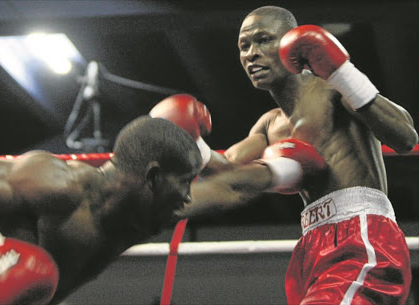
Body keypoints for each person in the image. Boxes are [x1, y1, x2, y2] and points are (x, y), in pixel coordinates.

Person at [173, 5, 417, 305]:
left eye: (263, 40)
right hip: (311, 248)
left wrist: (344, 74)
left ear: (292, 42)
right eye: (244, 46)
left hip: (362, 235)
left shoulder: (332, 88)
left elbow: (405, 137)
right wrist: (192, 143)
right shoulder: (269, 125)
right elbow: (228, 173)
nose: (251, 53)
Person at [0, 115, 203, 305]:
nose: (188, 195)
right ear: (153, 177)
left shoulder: (140, 220)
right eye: (184, 182)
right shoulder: (58, 184)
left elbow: (236, 187)